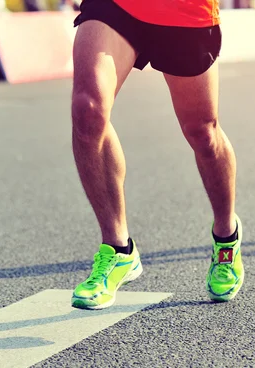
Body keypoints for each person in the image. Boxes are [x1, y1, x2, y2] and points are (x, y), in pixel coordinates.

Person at [70, 0, 244, 310]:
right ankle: (118, 248)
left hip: (184, 11)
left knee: (202, 132)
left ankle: (226, 237)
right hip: (117, 6)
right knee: (88, 111)